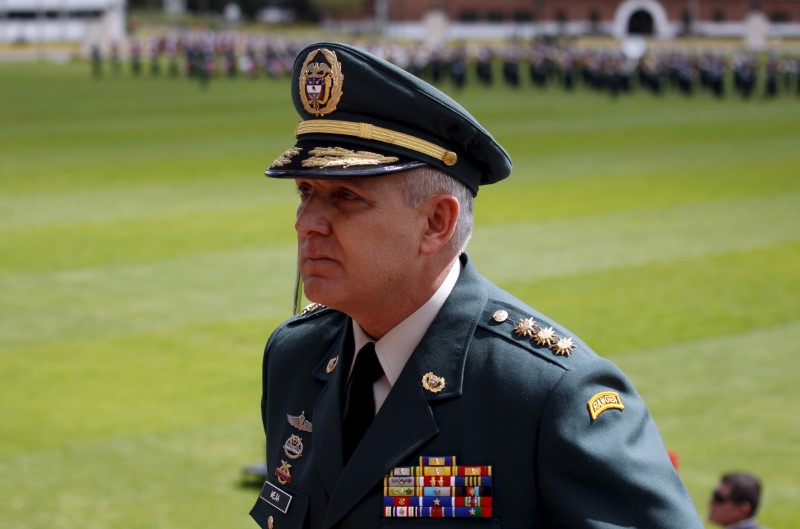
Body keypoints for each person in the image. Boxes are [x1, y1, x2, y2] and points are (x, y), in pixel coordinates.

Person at [249, 41, 703, 529]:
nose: (307, 223)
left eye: (344, 197)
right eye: (305, 193)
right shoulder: (295, 358)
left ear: (436, 223)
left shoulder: (546, 395)